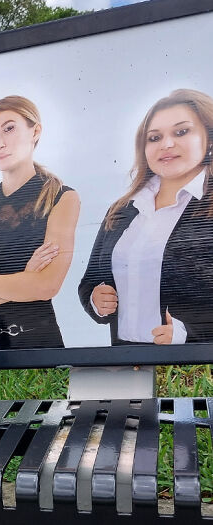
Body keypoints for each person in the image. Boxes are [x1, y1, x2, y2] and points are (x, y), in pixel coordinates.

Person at [79, 88, 213, 345]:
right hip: (125, 362)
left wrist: (189, 336)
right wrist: (96, 301)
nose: (167, 144)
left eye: (181, 132)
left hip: (188, 371)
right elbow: (90, 281)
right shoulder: (121, 210)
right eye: (154, 137)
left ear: (209, 137)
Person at [0, 95, 80, 350]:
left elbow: (44, 286)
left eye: (9, 128)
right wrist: (24, 279)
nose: (0, 143)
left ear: (35, 131)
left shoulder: (61, 198)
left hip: (38, 345)